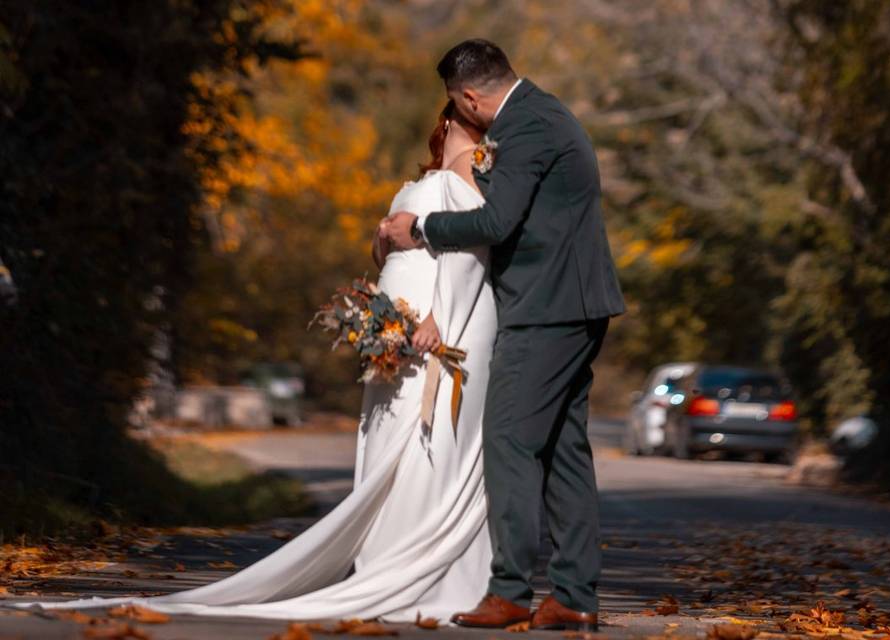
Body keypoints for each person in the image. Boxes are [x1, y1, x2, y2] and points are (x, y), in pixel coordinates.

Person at [16, 101, 499, 624]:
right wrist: (382, 250)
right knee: (385, 437)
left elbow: (471, 257)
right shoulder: (420, 181)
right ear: (449, 121)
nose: (476, 143)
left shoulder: (470, 177)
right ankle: (382, 557)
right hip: (393, 331)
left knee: (424, 444)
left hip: (431, 331)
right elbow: (386, 253)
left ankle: (420, 566)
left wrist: (437, 320)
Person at [379, 39, 625, 632]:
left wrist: (423, 228)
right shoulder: (543, 111)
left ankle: (510, 590)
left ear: (468, 96)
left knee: (510, 442)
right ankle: (574, 595)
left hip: (548, 310)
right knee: (564, 451)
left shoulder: (527, 127)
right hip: (573, 306)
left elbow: (496, 221)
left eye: (454, 105)